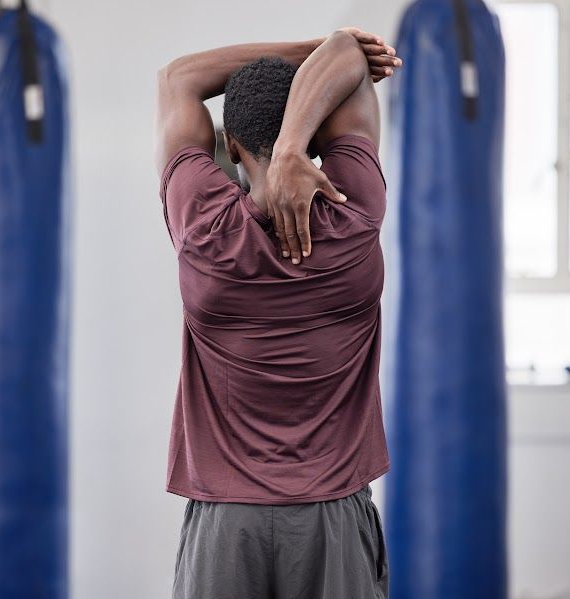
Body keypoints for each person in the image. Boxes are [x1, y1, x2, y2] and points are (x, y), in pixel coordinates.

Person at [155, 27, 402, 599]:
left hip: (226, 525)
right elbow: (349, 60)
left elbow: (178, 78)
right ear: (318, 136)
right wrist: (296, 141)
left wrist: (309, 53)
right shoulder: (355, 213)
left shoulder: (201, 227)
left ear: (232, 146)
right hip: (330, 517)